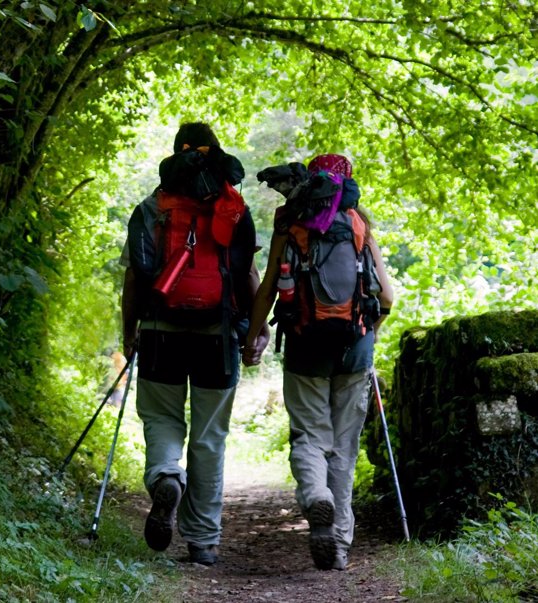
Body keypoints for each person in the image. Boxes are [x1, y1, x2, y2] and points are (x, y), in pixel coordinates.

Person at [121, 122, 269, 566]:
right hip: (218, 337)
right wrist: (257, 329)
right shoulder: (234, 208)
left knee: (162, 418)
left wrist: (129, 333)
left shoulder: (152, 207)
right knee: (209, 438)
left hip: (160, 331)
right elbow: (247, 275)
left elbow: (134, 277)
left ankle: (168, 477)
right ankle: (202, 541)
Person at [242, 154, 394, 571]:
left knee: (309, 436)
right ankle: (340, 542)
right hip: (355, 347)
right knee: (344, 447)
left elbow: (270, 284)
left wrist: (253, 334)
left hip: (306, 345)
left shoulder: (292, 222)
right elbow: (386, 298)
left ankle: (316, 498)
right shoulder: (359, 224)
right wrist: (370, 333)